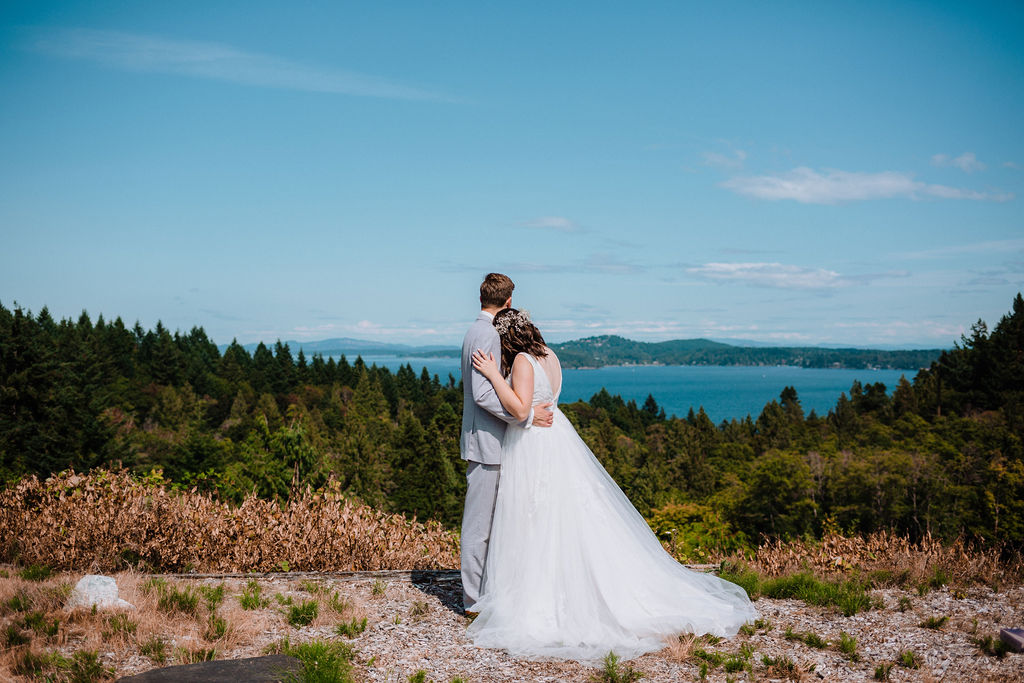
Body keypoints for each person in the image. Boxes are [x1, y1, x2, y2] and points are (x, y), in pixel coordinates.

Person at [465, 307, 758, 662]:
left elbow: (521, 410)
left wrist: (494, 375)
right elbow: (544, 403)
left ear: (507, 337)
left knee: (537, 518)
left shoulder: (524, 362)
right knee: (561, 518)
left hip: (535, 447)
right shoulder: (549, 355)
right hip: (557, 438)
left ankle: (543, 596)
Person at [460, 274, 554, 617]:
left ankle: (492, 593)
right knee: (478, 527)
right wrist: (525, 416)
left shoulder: (478, 329)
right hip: (487, 444)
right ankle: (473, 603)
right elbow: (484, 394)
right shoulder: (487, 333)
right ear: (509, 301)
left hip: (499, 445)